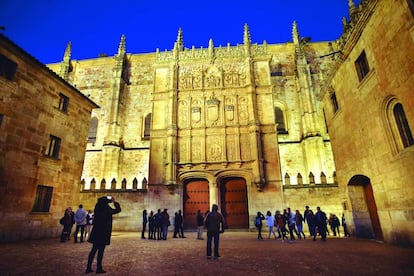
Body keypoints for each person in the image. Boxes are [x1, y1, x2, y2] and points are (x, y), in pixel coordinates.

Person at [85, 196, 121, 274]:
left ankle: (88, 267)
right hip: (103, 233)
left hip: (96, 232)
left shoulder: (97, 208)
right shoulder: (106, 208)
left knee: (93, 250)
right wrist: (114, 202)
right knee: (101, 251)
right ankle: (99, 268)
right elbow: (118, 210)